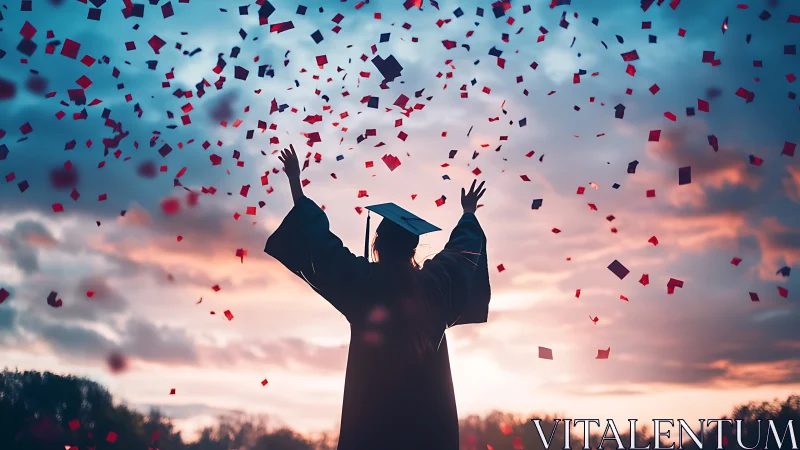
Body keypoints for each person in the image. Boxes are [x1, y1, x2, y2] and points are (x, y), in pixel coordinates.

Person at [264, 145, 491, 450]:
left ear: (377, 245)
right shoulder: (435, 288)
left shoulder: (363, 284)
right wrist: (468, 214)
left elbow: (318, 245)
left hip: (372, 423)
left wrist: (295, 182)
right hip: (427, 427)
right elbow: (462, 251)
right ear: (412, 250)